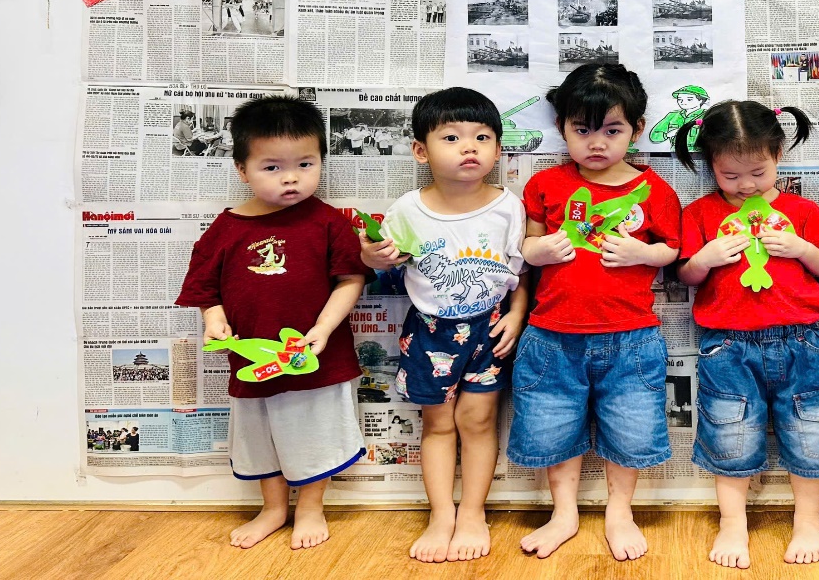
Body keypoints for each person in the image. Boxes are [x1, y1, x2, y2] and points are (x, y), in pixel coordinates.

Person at [176, 95, 368, 550]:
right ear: (242, 169)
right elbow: (206, 289)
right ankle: (274, 508)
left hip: (314, 357)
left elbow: (350, 279)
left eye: (305, 164)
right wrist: (215, 320)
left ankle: (311, 507)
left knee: (315, 433)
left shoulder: (329, 223)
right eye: (272, 167)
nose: (291, 178)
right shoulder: (226, 228)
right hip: (253, 360)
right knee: (258, 436)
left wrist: (322, 330)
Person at [509, 63, 682, 561]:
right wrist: (536, 251)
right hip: (552, 334)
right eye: (581, 130)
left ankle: (619, 509)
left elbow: (672, 250)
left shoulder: (656, 191)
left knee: (630, 425)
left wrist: (645, 254)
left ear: (637, 129)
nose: (596, 143)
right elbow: (529, 241)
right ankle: (562, 512)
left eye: (612, 130)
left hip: (631, 336)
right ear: (562, 127)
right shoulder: (546, 184)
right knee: (550, 421)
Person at [674, 101, 819, 568]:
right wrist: (706, 258)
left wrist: (802, 248)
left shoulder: (801, 210)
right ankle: (733, 522)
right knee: (730, 432)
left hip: (803, 341)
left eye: (758, 171)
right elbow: (687, 277)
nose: (746, 185)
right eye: (730, 176)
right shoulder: (699, 213)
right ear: (710, 165)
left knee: (813, 429)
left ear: (778, 155)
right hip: (728, 344)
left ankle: (808, 519)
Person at [358, 88, 528, 563]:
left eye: (482, 137)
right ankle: (441, 514)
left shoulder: (508, 207)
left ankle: (473, 512)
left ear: (497, 148)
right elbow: (379, 260)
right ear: (421, 150)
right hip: (429, 329)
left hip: (489, 327)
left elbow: (520, 272)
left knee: (477, 421)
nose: (469, 147)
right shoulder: (407, 210)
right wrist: (371, 255)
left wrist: (516, 314)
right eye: (451, 137)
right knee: (436, 424)